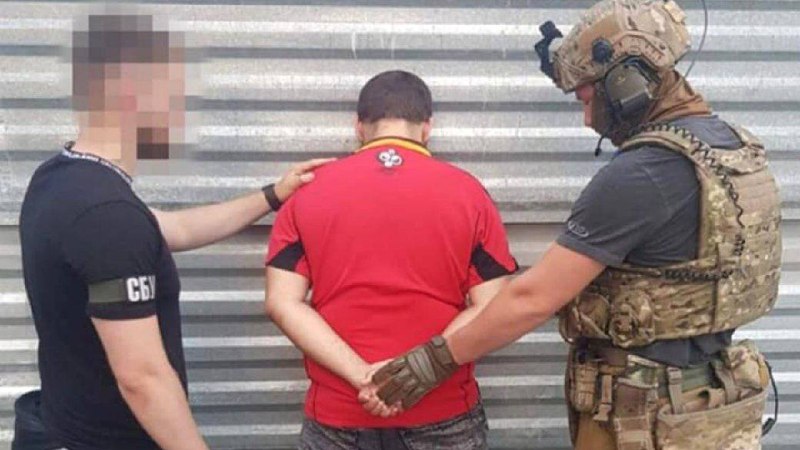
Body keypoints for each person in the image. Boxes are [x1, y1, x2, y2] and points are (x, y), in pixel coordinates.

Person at [365, 1, 782, 449]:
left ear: (626, 82)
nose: (587, 118)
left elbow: (532, 298)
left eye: (586, 98)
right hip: (713, 405)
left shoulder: (644, 172)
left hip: (646, 417)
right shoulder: (733, 147)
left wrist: (429, 364)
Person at [15, 13, 330, 450]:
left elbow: (174, 228)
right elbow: (142, 378)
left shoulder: (61, 178)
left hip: (63, 429)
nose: (180, 112)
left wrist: (273, 195)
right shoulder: (106, 216)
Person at [264, 70, 518, 449]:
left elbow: (281, 302)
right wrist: (404, 377)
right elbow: (494, 306)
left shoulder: (307, 192)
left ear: (359, 127)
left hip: (338, 416)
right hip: (443, 414)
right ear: (427, 128)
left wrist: (364, 376)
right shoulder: (469, 193)